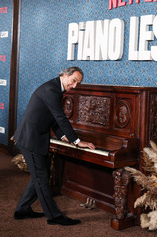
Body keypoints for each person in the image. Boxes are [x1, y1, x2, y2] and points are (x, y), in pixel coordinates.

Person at [13, 67, 95, 225]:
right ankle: (54, 216)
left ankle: (22, 209)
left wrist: (63, 136)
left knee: (40, 175)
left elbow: (52, 117)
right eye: (74, 81)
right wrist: (76, 141)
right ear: (65, 75)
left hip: (35, 137)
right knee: (42, 178)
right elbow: (60, 117)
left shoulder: (56, 88)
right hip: (31, 139)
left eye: (78, 83)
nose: (75, 86)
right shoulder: (52, 90)